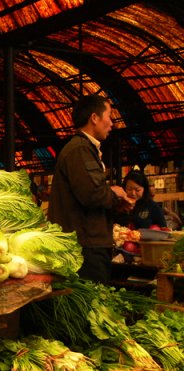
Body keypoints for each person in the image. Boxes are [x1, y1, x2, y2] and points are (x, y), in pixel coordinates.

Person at [47, 94, 133, 283]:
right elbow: (93, 194)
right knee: (90, 304)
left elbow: (87, 192)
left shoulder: (84, 148)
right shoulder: (80, 149)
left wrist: (113, 203)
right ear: (94, 118)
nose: (112, 123)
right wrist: (115, 193)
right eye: (109, 116)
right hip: (86, 246)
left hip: (87, 242)